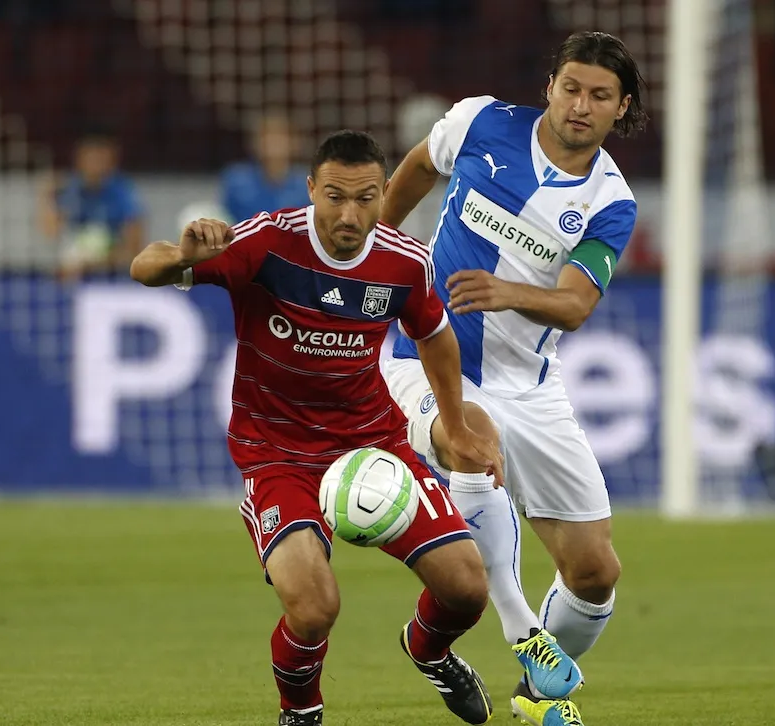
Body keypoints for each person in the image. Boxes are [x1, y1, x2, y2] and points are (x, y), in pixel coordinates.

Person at [130, 130, 504, 726]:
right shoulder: (266, 243)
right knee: (313, 608)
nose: (349, 215)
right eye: (334, 196)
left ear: (384, 194)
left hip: (373, 442)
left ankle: (428, 648)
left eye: (364, 198)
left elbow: (434, 334)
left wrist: (454, 427)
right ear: (310, 190)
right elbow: (141, 267)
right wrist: (182, 257)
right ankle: (300, 710)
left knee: (466, 589)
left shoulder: (403, 261)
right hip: (277, 453)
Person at [380, 31, 648, 726]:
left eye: (600, 96)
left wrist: (508, 292)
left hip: (530, 383)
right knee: (475, 439)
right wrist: (372, 249)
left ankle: (534, 698)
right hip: (426, 360)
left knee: (596, 573)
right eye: (572, 87)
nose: (581, 105)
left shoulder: (610, 202)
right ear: (550, 85)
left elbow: (577, 304)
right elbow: (415, 166)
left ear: (623, 108)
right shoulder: (480, 121)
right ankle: (522, 630)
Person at [37, 124, 145, 281]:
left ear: (112, 158)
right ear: (78, 157)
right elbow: (50, 235)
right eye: (90, 155)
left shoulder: (125, 194)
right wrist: (45, 198)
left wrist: (96, 262)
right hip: (72, 279)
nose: (95, 162)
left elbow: (135, 251)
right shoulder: (68, 189)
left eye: (101, 156)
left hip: (113, 279)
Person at [220, 112, 309, 223]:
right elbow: (223, 218)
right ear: (255, 143)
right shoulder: (236, 179)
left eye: (281, 137)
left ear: (295, 143)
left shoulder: (307, 183)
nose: (274, 143)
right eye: (267, 137)